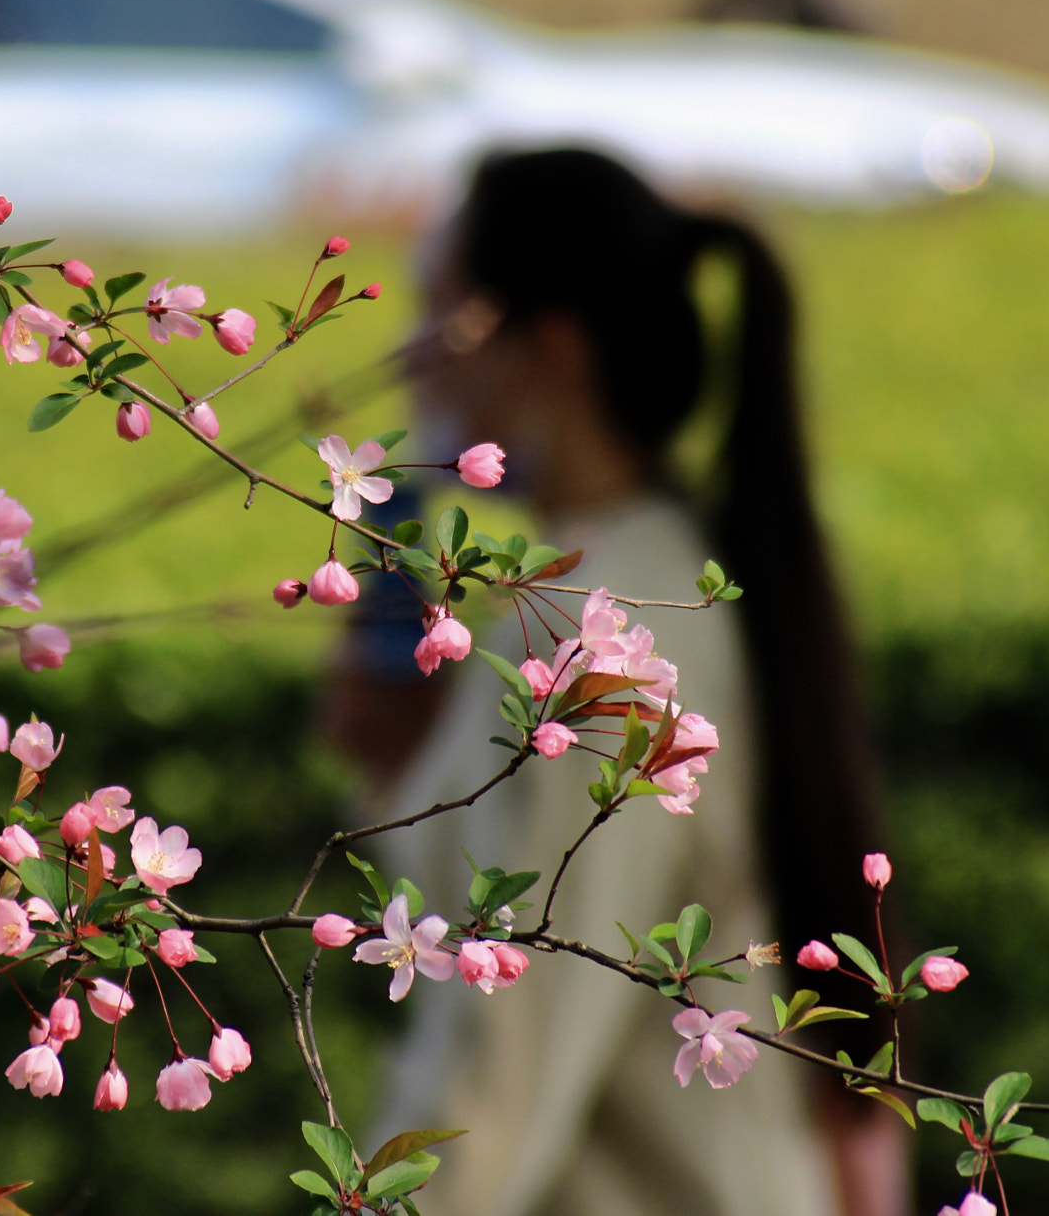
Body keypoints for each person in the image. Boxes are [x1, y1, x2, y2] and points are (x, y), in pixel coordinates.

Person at [324, 148, 906, 1216]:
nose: (411, 359)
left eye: (444, 313)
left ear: (552, 346)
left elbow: (500, 1054)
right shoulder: (635, 582)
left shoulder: (596, 642)